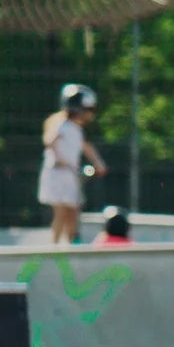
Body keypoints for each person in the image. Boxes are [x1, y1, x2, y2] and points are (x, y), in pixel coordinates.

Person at [39, 83, 106, 244]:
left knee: (73, 213)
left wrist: (98, 162)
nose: (91, 113)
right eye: (88, 109)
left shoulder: (76, 129)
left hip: (69, 174)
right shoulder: (61, 124)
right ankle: (54, 247)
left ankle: (72, 246)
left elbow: (86, 147)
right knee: (61, 212)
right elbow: (49, 141)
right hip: (58, 173)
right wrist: (59, 158)